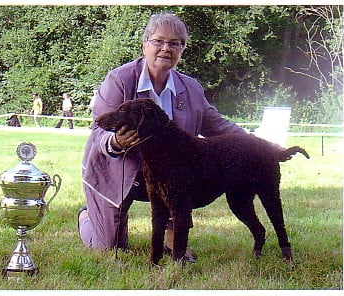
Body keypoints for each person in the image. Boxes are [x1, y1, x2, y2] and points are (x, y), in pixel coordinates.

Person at [79, 12, 246, 261]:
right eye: (158, 41)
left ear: (182, 50)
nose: (166, 48)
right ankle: (87, 216)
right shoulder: (120, 80)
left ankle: (173, 233)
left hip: (166, 177)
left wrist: (257, 145)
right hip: (118, 169)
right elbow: (98, 130)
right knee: (110, 248)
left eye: (175, 43)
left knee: (183, 172)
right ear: (145, 44)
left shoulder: (190, 88)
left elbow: (218, 126)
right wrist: (116, 142)